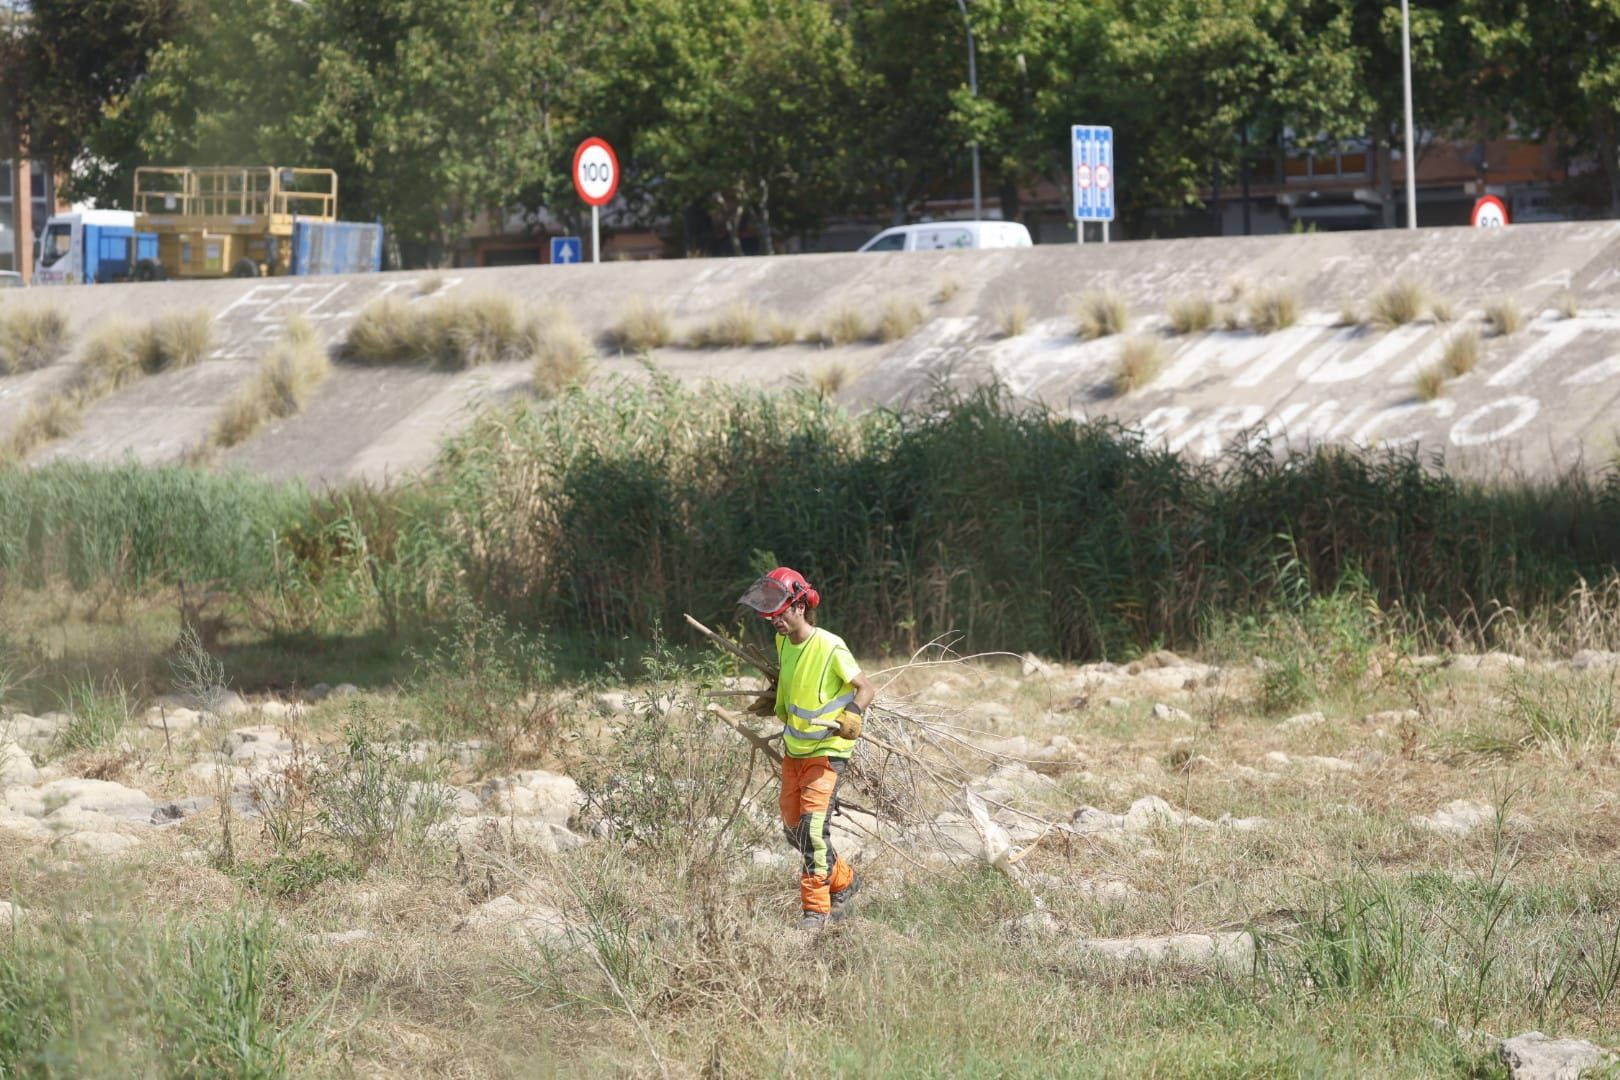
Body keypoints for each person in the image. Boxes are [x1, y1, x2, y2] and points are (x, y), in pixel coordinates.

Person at [739, 567, 875, 930]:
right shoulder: (783, 642)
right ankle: (845, 879)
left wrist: (852, 715)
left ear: (800, 605)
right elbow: (792, 681)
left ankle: (816, 911)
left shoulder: (830, 645)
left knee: (814, 831)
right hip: (795, 751)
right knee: (792, 828)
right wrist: (775, 701)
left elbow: (866, 688)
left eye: (780, 613)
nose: (775, 622)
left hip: (827, 753)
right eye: (769, 616)